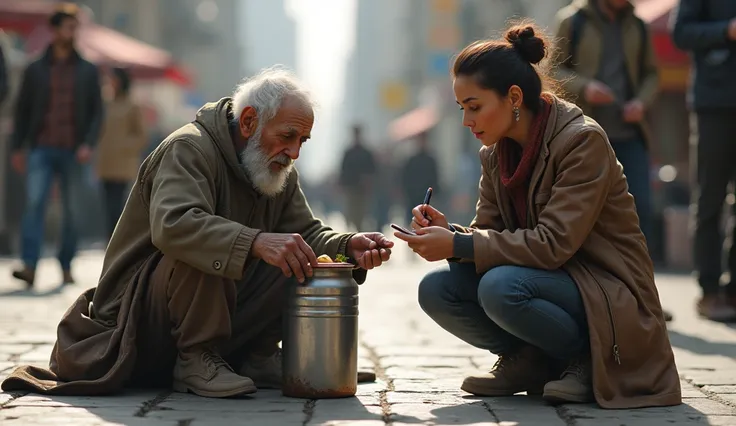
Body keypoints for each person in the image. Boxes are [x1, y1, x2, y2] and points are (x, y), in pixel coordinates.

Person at [1, 66, 393, 398]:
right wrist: (255, 241)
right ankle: (195, 357)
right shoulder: (188, 149)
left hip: (215, 308)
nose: (294, 152)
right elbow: (175, 225)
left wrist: (347, 245)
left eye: (302, 141)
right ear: (249, 121)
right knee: (207, 246)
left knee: (298, 253)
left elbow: (305, 232)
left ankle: (259, 356)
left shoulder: (277, 168)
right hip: (139, 315)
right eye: (288, 136)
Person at [393, 23, 681, 409]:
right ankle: (531, 361)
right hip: (546, 278)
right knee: (437, 288)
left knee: (500, 287)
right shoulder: (495, 154)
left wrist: (461, 242)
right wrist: (450, 233)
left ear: (513, 97)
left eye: (475, 107)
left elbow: (554, 245)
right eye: (462, 109)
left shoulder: (582, 141)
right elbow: (490, 235)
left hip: (607, 293)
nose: (467, 121)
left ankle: (586, 360)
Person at [552, 0, 673, 322]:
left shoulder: (638, 25)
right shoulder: (572, 20)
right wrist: (585, 86)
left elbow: (651, 74)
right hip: (585, 134)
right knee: (586, 216)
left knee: (640, 213)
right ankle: (593, 296)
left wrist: (641, 103)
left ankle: (644, 298)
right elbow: (553, 70)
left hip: (630, 133)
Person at [9, 3, 104, 287]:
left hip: (75, 150)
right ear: (54, 30)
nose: (72, 32)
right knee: (34, 205)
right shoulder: (36, 68)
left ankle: (65, 264)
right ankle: (29, 265)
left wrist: (88, 143)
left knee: (72, 210)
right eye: (68, 27)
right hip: (41, 146)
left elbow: (97, 112)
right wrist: (17, 147)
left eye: (75, 27)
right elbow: (22, 109)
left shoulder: (87, 70)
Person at [670, 0, 736, 322]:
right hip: (715, 104)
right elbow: (681, 33)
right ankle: (709, 291)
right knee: (710, 197)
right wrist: (726, 30)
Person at [96, 67, 148, 239]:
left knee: (118, 205)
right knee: (106, 205)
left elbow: (141, 135)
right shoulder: (105, 103)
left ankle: (119, 239)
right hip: (105, 163)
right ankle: (109, 239)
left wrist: (124, 146)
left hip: (123, 164)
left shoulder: (131, 105)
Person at [339, 124, 377, 231]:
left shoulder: (366, 153)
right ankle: (353, 229)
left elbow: (372, 171)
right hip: (350, 187)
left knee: (360, 213)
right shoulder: (349, 152)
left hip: (362, 189)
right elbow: (343, 170)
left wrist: (369, 182)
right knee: (350, 211)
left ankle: (358, 229)